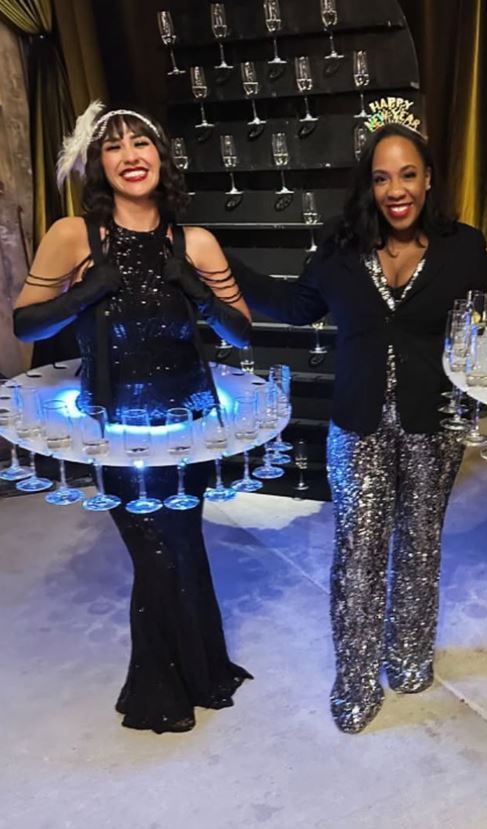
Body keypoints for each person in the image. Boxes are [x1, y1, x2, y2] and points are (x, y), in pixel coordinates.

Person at [235, 119, 487, 733]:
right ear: (369, 185)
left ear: (428, 178)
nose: (396, 190)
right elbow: (295, 307)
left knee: (420, 544)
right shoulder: (340, 245)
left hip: (432, 423)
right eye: (382, 178)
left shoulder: (462, 246)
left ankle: (408, 658)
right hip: (357, 424)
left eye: (408, 174)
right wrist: (221, 267)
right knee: (358, 550)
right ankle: (354, 679)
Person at [13, 103, 253, 733]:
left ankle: (204, 674)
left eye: (140, 141)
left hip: (187, 423)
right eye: (114, 145)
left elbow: (242, 331)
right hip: (115, 429)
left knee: (185, 543)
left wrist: (197, 290)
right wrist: (88, 289)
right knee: (157, 553)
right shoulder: (74, 235)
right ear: (99, 164)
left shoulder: (194, 242)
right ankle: (158, 693)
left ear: (160, 156)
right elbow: (25, 323)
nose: (129, 154)